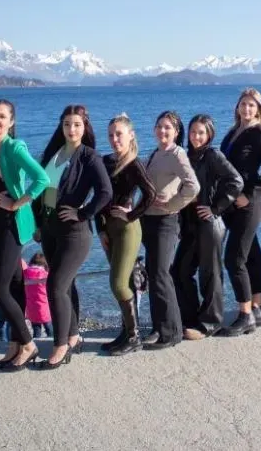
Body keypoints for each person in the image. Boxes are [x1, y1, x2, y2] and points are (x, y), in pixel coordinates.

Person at [0, 98, 50, 372]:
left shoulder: (14, 147)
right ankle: (15, 344)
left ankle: (28, 343)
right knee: (14, 286)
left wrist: (17, 202)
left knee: (0, 287)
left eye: (2, 116)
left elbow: (41, 179)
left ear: (11, 121)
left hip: (10, 224)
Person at [34, 104, 112, 369]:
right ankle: (74, 336)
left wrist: (83, 213)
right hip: (49, 228)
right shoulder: (53, 154)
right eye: (67, 124)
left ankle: (60, 347)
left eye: (77, 124)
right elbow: (41, 188)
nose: (71, 129)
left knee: (54, 286)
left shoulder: (89, 156)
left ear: (85, 126)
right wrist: (37, 223)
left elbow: (105, 193)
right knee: (66, 285)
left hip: (74, 233)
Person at [174, 115, 242, 340]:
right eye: (193, 131)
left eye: (201, 132)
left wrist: (216, 208)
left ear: (209, 134)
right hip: (190, 223)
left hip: (209, 224)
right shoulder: (185, 156)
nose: (196, 136)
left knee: (210, 274)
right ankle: (190, 317)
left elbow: (236, 181)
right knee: (180, 271)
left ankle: (210, 323)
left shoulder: (213, 155)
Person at [95, 113, 156, 356]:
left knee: (118, 283)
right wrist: (100, 229)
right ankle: (126, 333)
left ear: (131, 135)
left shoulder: (134, 163)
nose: (114, 139)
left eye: (118, 134)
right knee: (125, 281)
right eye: (110, 134)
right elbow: (98, 196)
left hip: (128, 230)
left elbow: (150, 194)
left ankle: (134, 337)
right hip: (109, 230)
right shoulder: (105, 161)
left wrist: (131, 215)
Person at [220, 88, 261, 333]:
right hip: (231, 204)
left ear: (259, 109)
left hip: (249, 204)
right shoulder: (234, 131)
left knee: (234, 259)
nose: (246, 109)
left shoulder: (260, 133)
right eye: (243, 104)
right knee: (251, 255)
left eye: (251, 105)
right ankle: (256, 307)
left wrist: (251, 194)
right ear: (237, 107)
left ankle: (244, 315)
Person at [142, 111, 201, 349]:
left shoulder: (178, 153)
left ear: (176, 132)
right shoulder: (155, 153)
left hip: (166, 222)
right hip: (149, 220)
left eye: (167, 127)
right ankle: (159, 326)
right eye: (159, 126)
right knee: (154, 275)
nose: (162, 131)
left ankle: (172, 332)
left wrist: (172, 204)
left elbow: (193, 186)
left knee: (161, 275)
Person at [23, 253, 53, 339]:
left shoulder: (24, 273)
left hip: (31, 308)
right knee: (49, 329)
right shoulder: (45, 275)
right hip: (44, 307)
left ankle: (36, 346)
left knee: (36, 330)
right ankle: (51, 344)